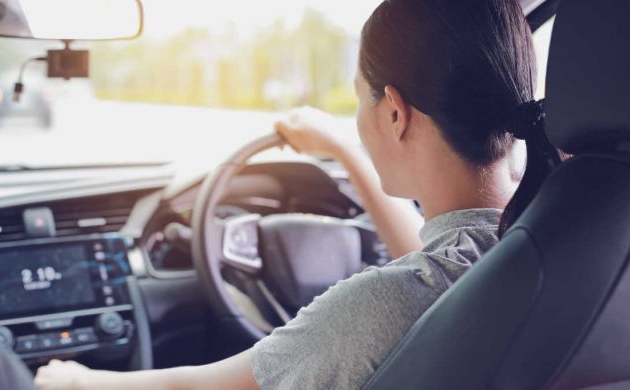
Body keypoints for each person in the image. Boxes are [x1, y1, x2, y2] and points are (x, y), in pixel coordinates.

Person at [34, 0, 562, 388]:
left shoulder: (378, 307)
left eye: (360, 97)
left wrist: (76, 381)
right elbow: (439, 273)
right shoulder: (555, 246)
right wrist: (347, 156)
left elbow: (199, 387)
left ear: (395, 114)